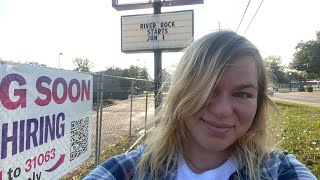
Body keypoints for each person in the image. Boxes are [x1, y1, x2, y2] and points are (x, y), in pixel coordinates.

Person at [84, 31, 317, 180]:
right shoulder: (131, 170)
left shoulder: (279, 170)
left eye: (242, 94)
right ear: (180, 94)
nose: (223, 110)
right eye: (207, 90)